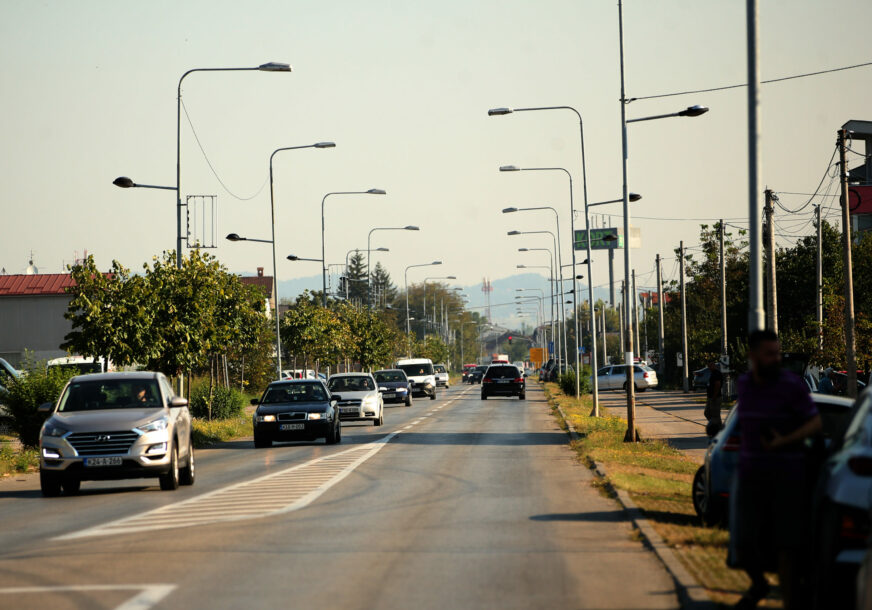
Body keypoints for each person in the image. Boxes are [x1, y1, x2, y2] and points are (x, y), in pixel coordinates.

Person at [729, 329, 821, 609]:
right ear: (753, 355)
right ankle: (758, 583)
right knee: (743, 541)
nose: (776, 358)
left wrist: (784, 440)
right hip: (750, 475)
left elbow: (815, 424)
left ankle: (791, 602)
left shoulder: (790, 385)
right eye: (770, 354)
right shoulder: (744, 384)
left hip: (786, 477)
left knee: (786, 547)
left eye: (777, 353)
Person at [704, 360, 724, 437]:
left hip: (715, 397)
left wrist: (714, 396)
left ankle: (718, 429)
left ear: (714, 365)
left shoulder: (717, 373)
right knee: (707, 413)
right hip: (710, 397)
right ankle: (715, 426)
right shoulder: (711, 373)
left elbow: (717, 385)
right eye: (708, 366)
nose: (709, 367)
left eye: (711, 366)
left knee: (715, 415)